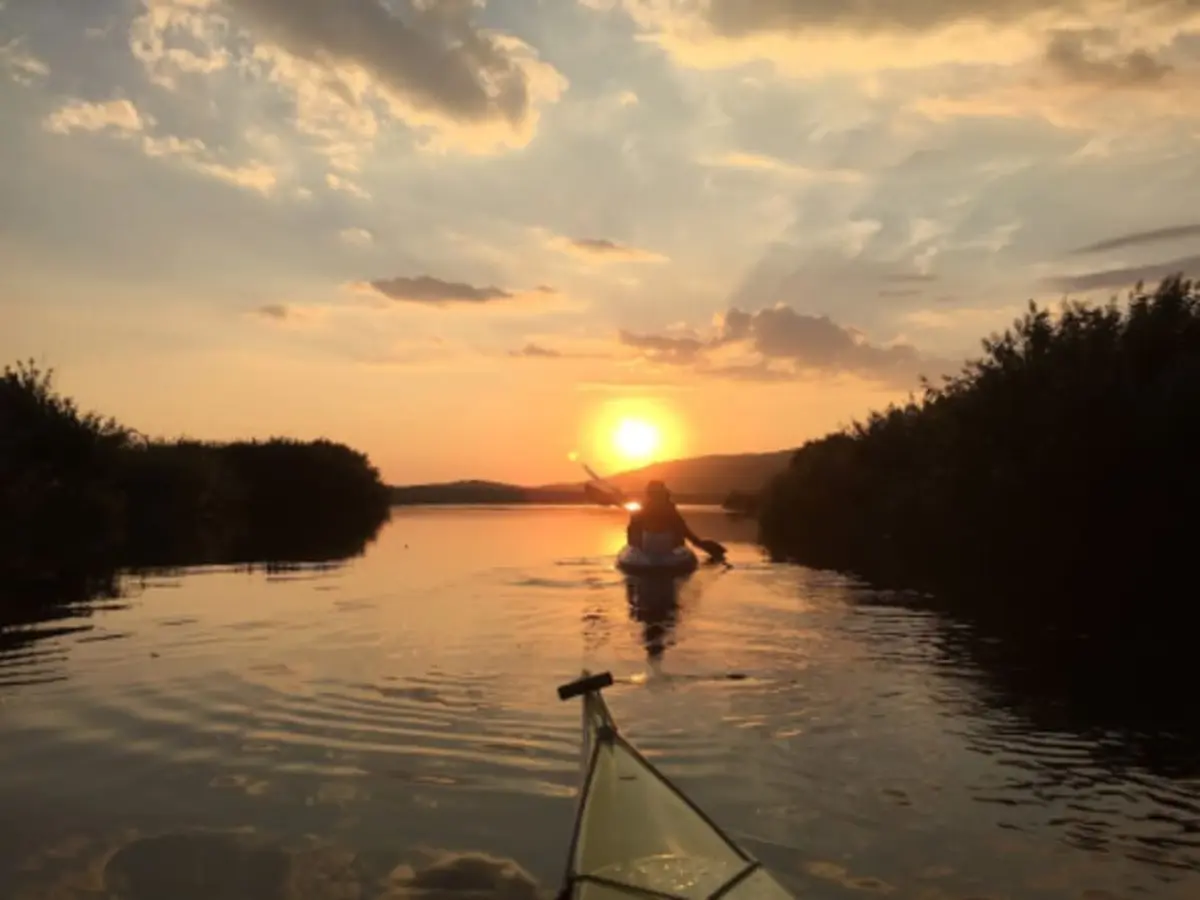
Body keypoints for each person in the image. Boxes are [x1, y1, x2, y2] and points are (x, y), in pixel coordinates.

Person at [626, 480, 704, 553]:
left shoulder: (644, 509)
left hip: (648, 544)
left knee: (634, 523)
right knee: (678, 527)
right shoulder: (669, 509)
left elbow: (632, 529)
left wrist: (634, 546)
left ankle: (636, 549)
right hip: (667, 546)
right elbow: (684, 530)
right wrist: (698, 542)